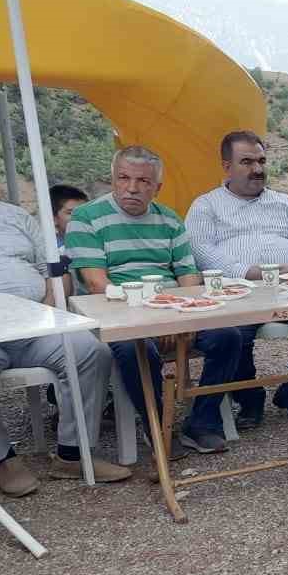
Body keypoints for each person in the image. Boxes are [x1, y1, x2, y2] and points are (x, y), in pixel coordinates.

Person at [0, 130, 130, 496]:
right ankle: (2, 459)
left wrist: (47, 311)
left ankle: (73, 454)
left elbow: (53, 273)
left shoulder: (14, 217)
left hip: (32, 323)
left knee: (90, 350)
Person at [66, 145, 243, 455]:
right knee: (134, 347)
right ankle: (159, 425)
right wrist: (152, 320)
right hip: (120, 311)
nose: (131, 188)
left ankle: (201, 422)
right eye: (123, 178)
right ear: (113, 179)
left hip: (173, 308)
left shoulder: (170, 220)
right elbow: (97, 283)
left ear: (157, 188)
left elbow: (189, 277)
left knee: (228, 335)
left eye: (143, 181)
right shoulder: (86, 218)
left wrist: (183, 317)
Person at [187, 130, 288, 425]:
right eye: (247, 161)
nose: (258, 169)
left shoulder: (283, 201)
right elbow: (201, 250)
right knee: (234, 336)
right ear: (227, 166)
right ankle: (250, 399)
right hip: (238, 292)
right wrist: (246, 272)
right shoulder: (206, 205)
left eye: (261, 160)